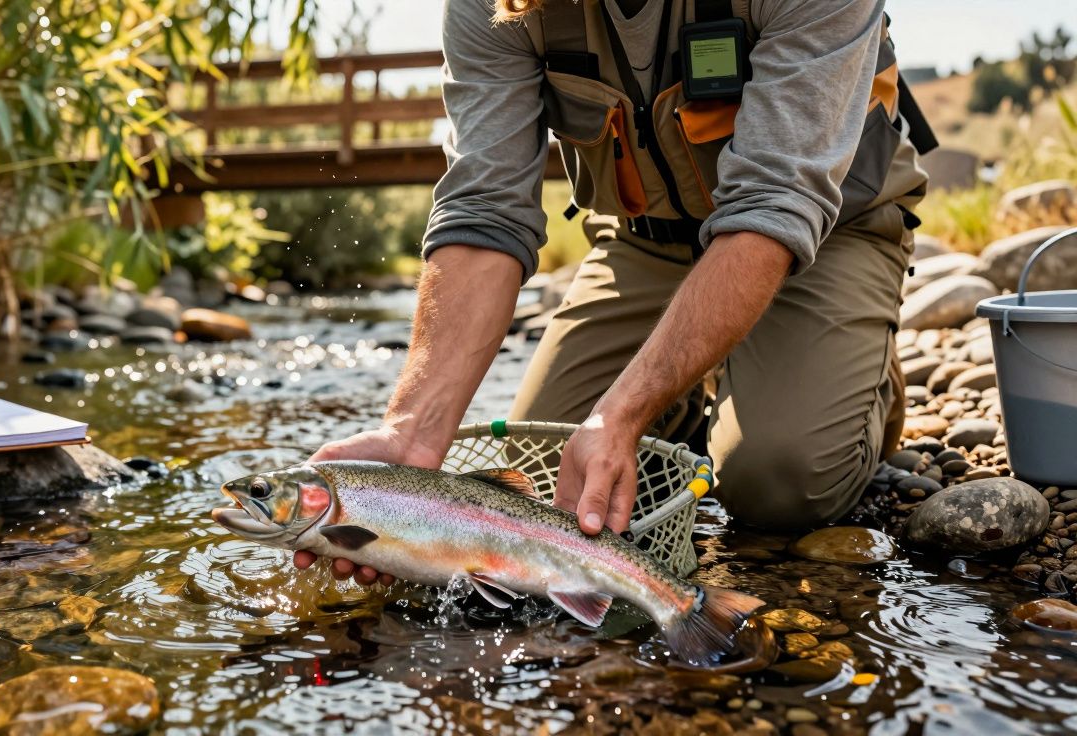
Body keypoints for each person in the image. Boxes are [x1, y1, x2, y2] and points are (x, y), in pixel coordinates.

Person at [296, 0, 932, 586]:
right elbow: (485, 211)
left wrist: (621, 413)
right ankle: (694, 389)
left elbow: (774, 205)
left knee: (778, 484)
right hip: (645, 242)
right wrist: (415, 430)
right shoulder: (496, 5)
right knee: (548, 475)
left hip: (826, 237)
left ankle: (861, 378)